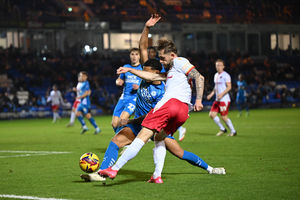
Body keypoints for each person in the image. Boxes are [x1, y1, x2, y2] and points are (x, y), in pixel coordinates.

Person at [99, 14, 225, 180]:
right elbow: (143, 49)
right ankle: (102, 172)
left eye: (148, 70)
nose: (144, 73)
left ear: (157, 71)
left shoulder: (165, 84)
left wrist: (131, 121)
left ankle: (115, 169)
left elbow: (197, 76)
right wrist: (147, 28)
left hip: (153, 119)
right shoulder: (164, 74)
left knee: (178, 152)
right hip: (173, 114)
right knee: (117, 140)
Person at [148, 46, 187, 141]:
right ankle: (154, 133)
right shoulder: (151, 63)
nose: (151, 54)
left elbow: (163, 76)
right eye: (150, 52)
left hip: (162, 89)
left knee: (159, 112)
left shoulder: (161, 63)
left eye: (152, 52)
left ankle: (150, 132)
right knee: (154, 110)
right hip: (156, 88)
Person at [112, 48, 143, 133]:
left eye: (136, 54)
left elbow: (148, 83)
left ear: (140, 56)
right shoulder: (126, 67)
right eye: (132, 54)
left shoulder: (142, 68)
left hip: (135, 97)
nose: (134, 56)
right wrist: (118, 81)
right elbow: (120, 79)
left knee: (123, 119)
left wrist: (139, 87)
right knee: (114, 124)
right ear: (129, 56)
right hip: (124, 97)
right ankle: (122, 140)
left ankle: (126, 140)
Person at [207, 59, 237, 136]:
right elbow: (216, 87)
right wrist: (211, 94)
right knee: (212, 114)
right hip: (217, 99)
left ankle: (233, 131)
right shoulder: (216, 75)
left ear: (223, 66)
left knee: (224, 117)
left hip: (224, 99)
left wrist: (222, 94)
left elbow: (229, 87)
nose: (218, 67)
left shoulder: (226, 75)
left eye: (220, 65)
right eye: (217, 65)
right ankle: (223, 129)